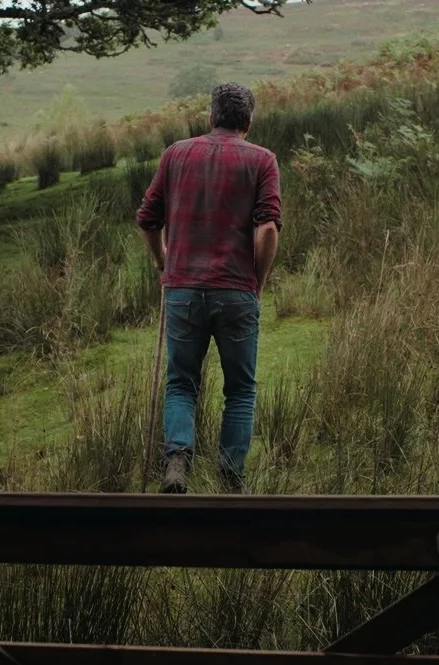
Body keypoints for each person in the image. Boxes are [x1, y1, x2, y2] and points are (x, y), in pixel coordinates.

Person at [136, 82, 281, 494]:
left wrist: (162, 258)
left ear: (211, 117)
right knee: (240, 388)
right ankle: (231, 479)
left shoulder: (176, 154)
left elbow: (147, 218)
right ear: (248, 122)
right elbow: (267, 228)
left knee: (182, 381)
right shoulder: (262, 160)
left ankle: (177, 462)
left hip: (182, 288)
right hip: (236, 290)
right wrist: (259, 279)